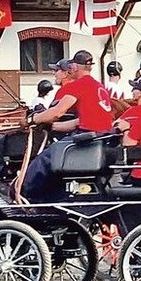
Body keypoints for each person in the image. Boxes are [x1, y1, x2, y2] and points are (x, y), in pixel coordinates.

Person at [22, 50, 115, 200]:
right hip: (99, 137)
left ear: (75, 68)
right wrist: (51, 127)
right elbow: (79, 122)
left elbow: (57, 112)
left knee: (44, 159)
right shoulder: (98, 86)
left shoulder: (80, 85)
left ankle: (25, 194)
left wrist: (32, 120)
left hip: (87, 140)